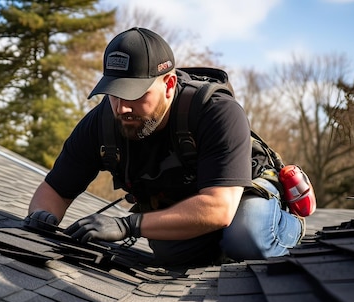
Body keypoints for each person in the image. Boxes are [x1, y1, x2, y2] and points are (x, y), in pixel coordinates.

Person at [25, 27, 304, 267]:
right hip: (190, 205)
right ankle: (223, 248)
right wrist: (41, 218)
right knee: (170, 252)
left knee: (247, 236)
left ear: (169, 85)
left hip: (242, 195)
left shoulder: (217, 111)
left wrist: (127, 225)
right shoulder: (102, 122)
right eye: (113, 93)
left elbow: (219, 207)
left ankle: (287, 228)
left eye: (134, 94)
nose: (121, 107)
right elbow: (55, 190)